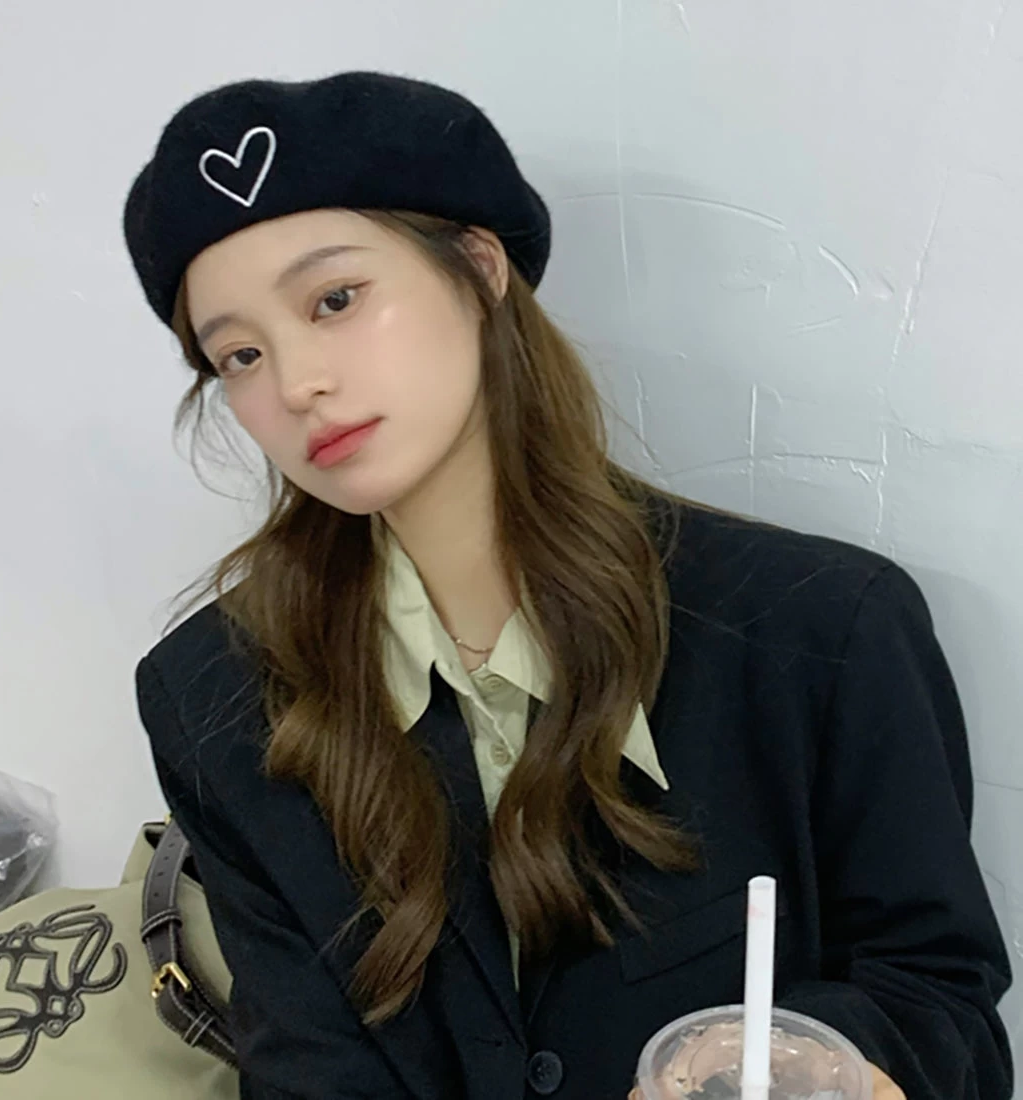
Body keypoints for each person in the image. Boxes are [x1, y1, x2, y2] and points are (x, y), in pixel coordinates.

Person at [123, 71, 1013, 1100]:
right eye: (238, 354)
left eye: (335, 299)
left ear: (479, 266)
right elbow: (305, 1070)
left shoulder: (822, 633)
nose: (294, 384)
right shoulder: (213, 694)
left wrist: (817, 1062)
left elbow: (940, 1006)